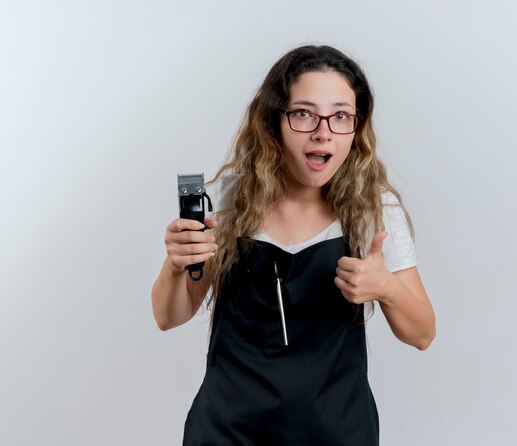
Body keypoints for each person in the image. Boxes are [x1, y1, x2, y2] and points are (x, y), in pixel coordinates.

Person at [151, 44, 436, 445]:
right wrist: (177, 263)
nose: (323, 131)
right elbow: (169, 316)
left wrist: (385, 288)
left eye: (340, 116)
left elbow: (422, 333)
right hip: (226, 432)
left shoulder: (374, 209)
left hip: (337, 432)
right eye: (304, 113)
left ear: (357, 127)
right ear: (274, 121)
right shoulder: (229, 199)